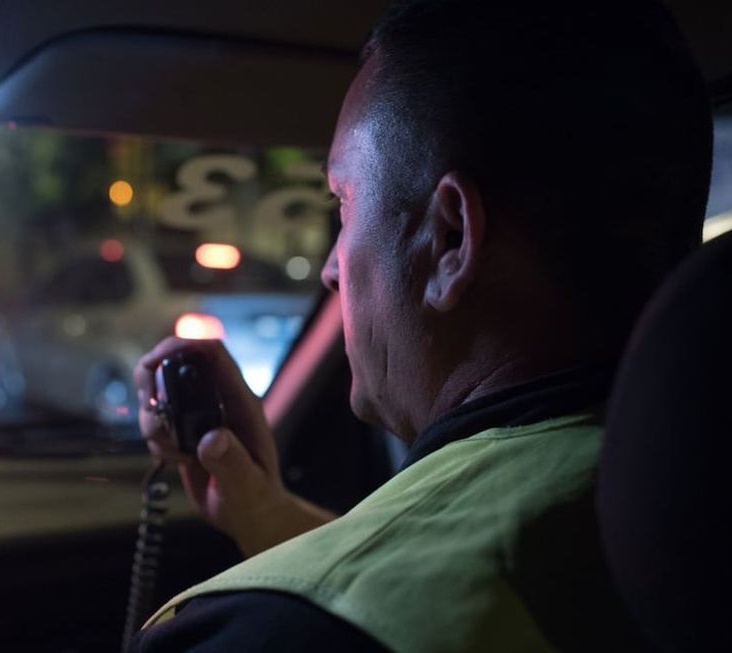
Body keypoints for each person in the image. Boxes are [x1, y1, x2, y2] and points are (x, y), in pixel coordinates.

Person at [130, 0, 713, 650]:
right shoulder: (682, 495)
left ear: (451, 238)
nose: (329, 269)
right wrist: (263, 511)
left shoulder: (281, 633)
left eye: (343, 204)